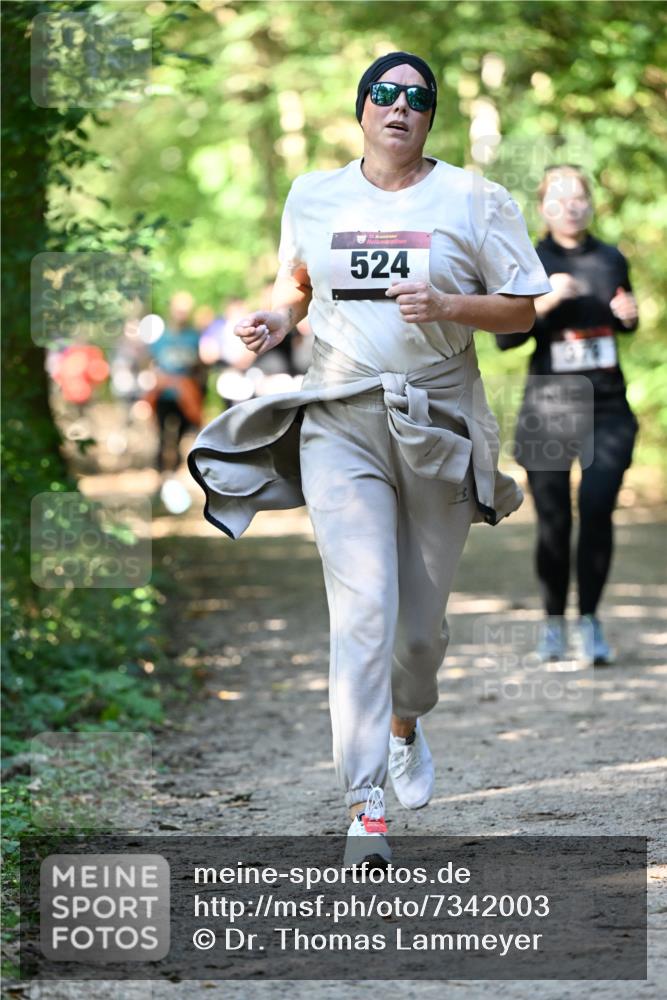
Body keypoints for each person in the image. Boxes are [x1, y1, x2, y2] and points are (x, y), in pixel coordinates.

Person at [188, 51, 551, 867]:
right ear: (360, 111)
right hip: (339, 416)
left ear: (429, 118)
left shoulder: (472, 198)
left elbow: (522, 313)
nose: (398, 107)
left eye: (415, 99)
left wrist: (450, 303)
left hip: (436, 420)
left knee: (417, 635)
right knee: (361, 610)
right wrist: (275, 322)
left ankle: (404, 722)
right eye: (383, 95)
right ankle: (365, 809)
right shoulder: (313, 194)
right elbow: (294, 284)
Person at [495, 165, 639, 666]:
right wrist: (546, 300)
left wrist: (629, 317)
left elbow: (623, 319)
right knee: (554, 523)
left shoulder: (610, 257)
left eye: (578, 197)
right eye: (557, 198)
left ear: (590, 202)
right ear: (542, 207)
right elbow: (505, 338)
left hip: (608, 406)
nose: (569, 206)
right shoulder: (530, 260)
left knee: (597, 509)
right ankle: (554, 623)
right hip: (551, 404)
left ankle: (591, 622)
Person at [145, 291, 206, 475]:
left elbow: (199, 365)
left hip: (185, 392)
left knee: (182, 429)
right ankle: (160, 468)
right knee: (162, 432)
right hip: (164, 392)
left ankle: (176, 464)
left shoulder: (194, 336)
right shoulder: (161, 337)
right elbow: (152, 362)